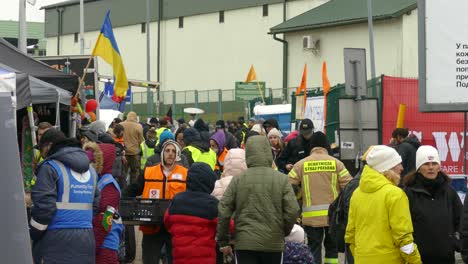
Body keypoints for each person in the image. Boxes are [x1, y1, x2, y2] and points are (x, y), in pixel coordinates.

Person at [217, 135, 300, 264]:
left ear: (248, 154)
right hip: (273, 243)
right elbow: (293, 210)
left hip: (245, 243)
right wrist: (283, 231)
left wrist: (224, 240)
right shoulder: (282, 179)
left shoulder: (238, 180)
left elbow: (224, 210)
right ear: (269, 152)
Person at [30, 128, 99, 264]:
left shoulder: (50, 167)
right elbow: (95, 205)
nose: (41, 154)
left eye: (41, 149)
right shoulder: (91, 171)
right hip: (86, 239)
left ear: (49, 146)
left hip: (54, 241)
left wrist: (33, 234)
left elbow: (44, 208)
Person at [345, 145, 421, 263]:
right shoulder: (395, 194)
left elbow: (350, 235)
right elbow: (404, 239)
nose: (401, 168)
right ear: (387, 168)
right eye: (397, 164)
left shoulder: (357, 194)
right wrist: (415, 261)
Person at [288, 131, 352, 264]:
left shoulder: (301, 164)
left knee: (313, 249)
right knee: (332, 249)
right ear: (326, 145)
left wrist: (300, 193)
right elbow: (349, 186)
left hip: (311, 217)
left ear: (311, 146)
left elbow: (288, 186)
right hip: (333, 216)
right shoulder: (337, 164)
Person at [125, 140, 188, 264]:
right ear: (162, 153)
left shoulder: (185, 174)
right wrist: (121, 198)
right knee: (149, 260)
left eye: (174, 151)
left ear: (177, 155)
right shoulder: (149, 172)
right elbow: (133, 189)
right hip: (152, 226)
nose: (170, 154)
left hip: (175, 228)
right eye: (168, 151)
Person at [403, 146, 461, 264]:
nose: (430, 167)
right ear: (419, 168)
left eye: (434, 163)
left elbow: (460, 220)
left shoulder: (449, 192)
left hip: (446, 257)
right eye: (426, 164)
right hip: (419, 258)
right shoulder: (408, 193)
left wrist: (454, 243)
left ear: (439, 167)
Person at [164, 163, 219, 264]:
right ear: (210, 181)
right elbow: (226, 225)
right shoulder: (212, 203)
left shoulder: (177, 200)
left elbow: (167, 221)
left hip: (180, 258)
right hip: (204, 259)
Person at [84, 142, 124, 264]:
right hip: (96, 243)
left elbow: (105, 220)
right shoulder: (98, 180)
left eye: (93, 161)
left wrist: (92, 248)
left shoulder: (109, 185)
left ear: (103, 161)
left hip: (105, 246)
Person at [120, 112, 144, 184]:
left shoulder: (121, 124)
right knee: (135, 172)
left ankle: (123, 189)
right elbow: (141, 140)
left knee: (123, 172)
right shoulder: (138, 126)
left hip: (124, 153)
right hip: (134, 153)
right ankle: (133, 189)